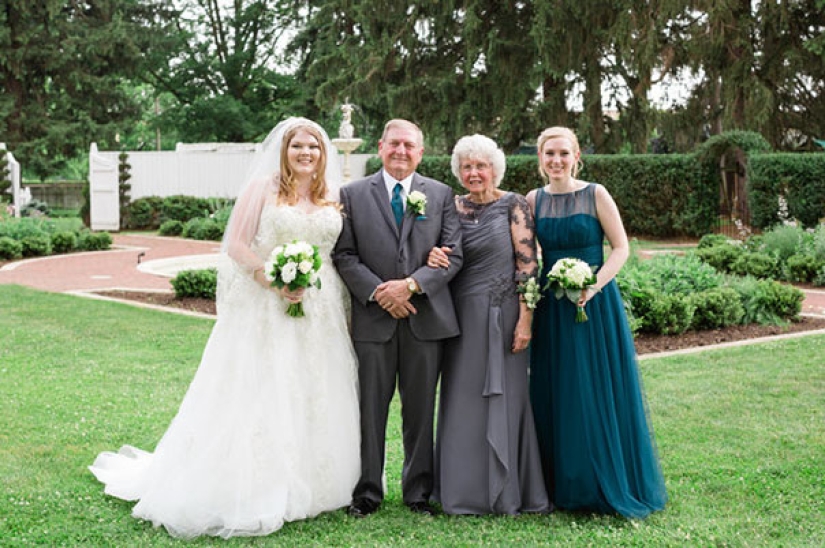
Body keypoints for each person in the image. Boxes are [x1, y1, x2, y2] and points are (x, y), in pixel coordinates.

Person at [89, 117, 360, 538]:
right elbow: (235, 244)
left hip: (320, 308)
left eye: (314, 147)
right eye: (298, 146)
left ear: (324, 154)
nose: (306, 153)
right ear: (284, 150)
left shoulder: (333, 195)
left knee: (315, 387)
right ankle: (258, 484)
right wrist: (273, 278)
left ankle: (316, 483)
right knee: (265, 389)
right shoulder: (264, 188)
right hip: (267, 306)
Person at [527, 126, 667, 518]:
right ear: (540, 159)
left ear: (576, 157)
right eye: (549, 154)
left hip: (594, 304)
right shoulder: (532, 199)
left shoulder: (596, 194)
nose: (556, 160)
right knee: (558, 387)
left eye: (563, 153)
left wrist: (593, 285)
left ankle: (599, 482)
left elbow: (621, 248)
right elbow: (522, 251)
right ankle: (558, 482)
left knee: (593, 386)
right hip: (552, 305)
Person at [333, 118, 463, 517]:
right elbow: (344, 255)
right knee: (370, 409)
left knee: (421, 410)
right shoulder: (352, 194)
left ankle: (418, 493)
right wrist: (380, 292)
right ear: (381, 146)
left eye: (409, 145)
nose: (401, 151)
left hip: (426, 321)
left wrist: (410, 286)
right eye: (394, 144)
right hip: (373, 322)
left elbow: (453, 254)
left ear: (420, 152)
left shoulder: (440, 195)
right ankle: (367, 492)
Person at [426, 134, 551, 515]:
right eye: (467, 166)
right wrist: (431, 254)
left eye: (481, 166)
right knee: (461, 401)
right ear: (459, 171)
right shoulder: (450, 205)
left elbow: (528, 266)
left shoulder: (514, 204)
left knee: (507, 400)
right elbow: (439, 249)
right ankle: (462, 491)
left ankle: (509, 492)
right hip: (460, 317)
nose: (474, 172)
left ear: (495, 168)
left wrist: (525, 320)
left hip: (504, 315)